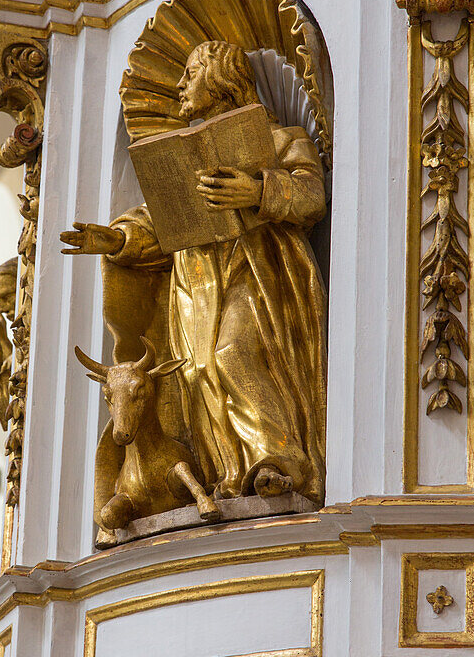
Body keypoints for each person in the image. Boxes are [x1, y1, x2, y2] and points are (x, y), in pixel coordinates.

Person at [61, 41, 327, 506]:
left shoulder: (282, 139)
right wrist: (115, 240)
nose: (182, 86)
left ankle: (280, 462)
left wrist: (257, 189)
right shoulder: (184, 162)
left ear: (221, 78)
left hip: (257, 270)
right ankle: (228, 474)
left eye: (192, 73)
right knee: (198, 371)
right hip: (196, 282)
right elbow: (157, 219)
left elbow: (311, 195)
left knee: (233, 354)